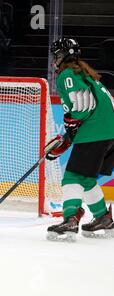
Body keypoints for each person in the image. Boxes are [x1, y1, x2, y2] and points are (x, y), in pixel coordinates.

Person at [45, 38, 114, 241]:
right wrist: (69, 135)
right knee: (85, 178)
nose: (54, 61)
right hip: (106, 132)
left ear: (61, 56)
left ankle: (70, 220)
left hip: (97, 132)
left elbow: (82, 108)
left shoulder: (67, 75)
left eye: (55, 56)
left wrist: (70, 129)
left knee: (72, 178)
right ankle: (103, 218)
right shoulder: (85, 73)